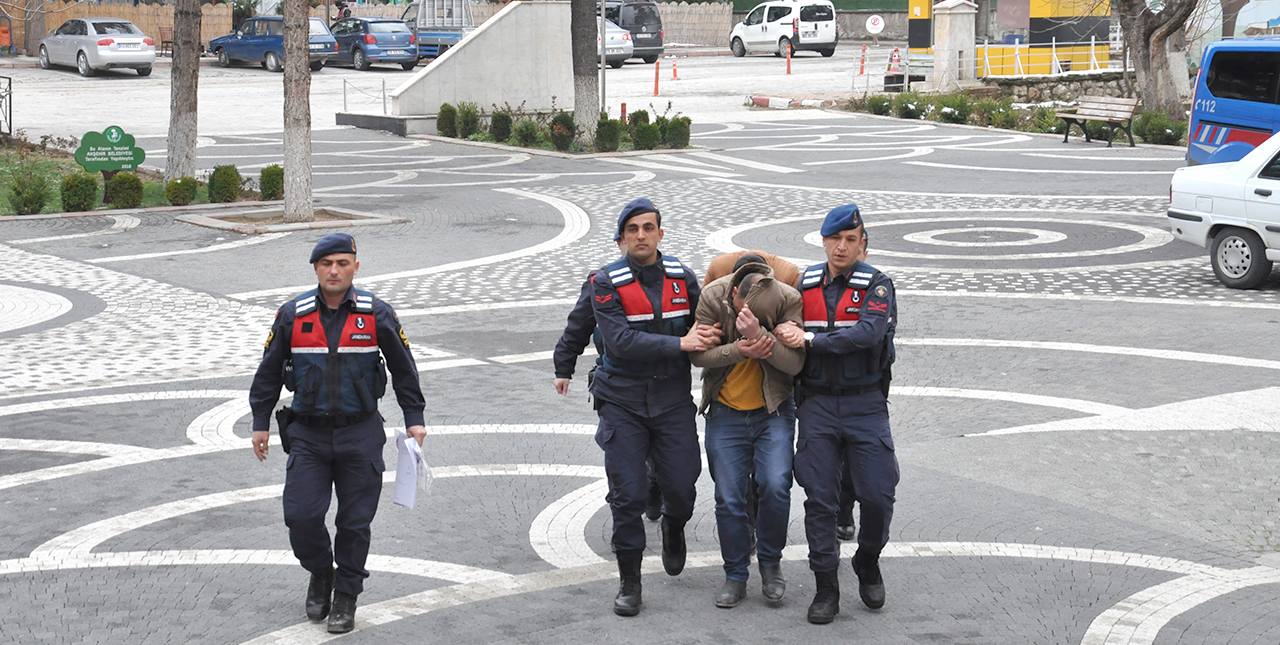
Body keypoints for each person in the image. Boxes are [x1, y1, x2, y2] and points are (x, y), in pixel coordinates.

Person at [249, 233, 427, 634]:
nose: (334, 270)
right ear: (315, 268)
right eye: (327, 263)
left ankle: (346, 595)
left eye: (342, 263)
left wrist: (414, 416)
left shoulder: (376, 313)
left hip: (359, 433)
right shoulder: (292, 314)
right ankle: (320, 572)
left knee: (355, 522)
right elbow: (268, 371)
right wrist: (261, 420)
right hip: (308, 436)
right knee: (301, 516)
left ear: (355, 268)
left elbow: (404, 368)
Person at [590, 197, 722, 616]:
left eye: (648, 228)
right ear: (623, 238)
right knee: (626, 496)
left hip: (670, 401)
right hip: (622, 401)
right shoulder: (605, 282)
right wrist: (680, 343)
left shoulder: (682, 278)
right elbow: (619, 341)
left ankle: (674, 524)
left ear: (660, 234)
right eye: (633, 229)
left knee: (683, 487)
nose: (641, 236)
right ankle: (630, 580)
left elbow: (705, 322)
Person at [774, 204, 898, 625]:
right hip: (818, 405)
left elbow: (869, 334)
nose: (842, 247)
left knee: (878, 496)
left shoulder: (877, 285)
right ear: (823, 241)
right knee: (820, 501)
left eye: (851, 240)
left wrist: (809, 338)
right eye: (835, 239)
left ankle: (867, 559)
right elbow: (776, 320)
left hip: (865, 404)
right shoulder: (802, 284)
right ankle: (826, 585)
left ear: (863, 244)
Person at [689, 257, 804, 608]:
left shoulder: (785, 298)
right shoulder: (712, 296)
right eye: (741, 311)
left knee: (775, 485)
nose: (744, 318)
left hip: (774, 410)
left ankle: (770, 564)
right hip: (725, 411)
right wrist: (740, 348)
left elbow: (795, 364)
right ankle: (735, 573)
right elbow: (698, 356)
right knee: (729, 496)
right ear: (733, 293)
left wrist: (761, 336)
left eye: (754, 314)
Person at [552, 246, 663, 522]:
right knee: (619, 453)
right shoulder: (601, 282)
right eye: (628, 235)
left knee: (663, 451)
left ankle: (655, 484)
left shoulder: (666, 279)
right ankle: (622, 512)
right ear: (620, 243)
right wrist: (563, 368)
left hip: (660, 383)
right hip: (615, 384)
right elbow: (577, 327)